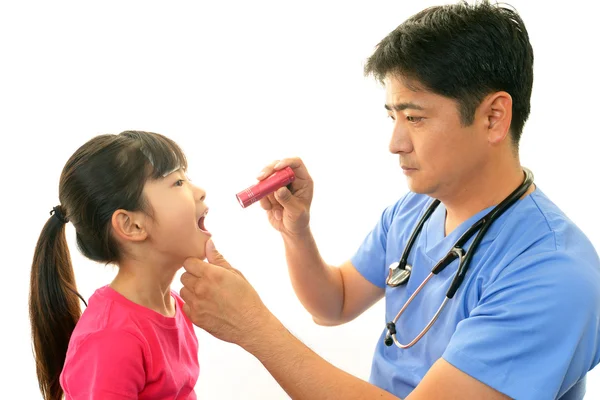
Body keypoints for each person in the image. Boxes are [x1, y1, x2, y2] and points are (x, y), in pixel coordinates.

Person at [179, 1, 600, 399]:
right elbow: (334, 303)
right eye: (392, 116)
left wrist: (253, 327)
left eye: (415, 118)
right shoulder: (416, 210)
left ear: (493, 117)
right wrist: (297, 232)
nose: (395, 143)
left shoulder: (553, 271)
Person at [30, 131, 208, 399]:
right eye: (178, 182)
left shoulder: (176, 307)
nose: (200, 192)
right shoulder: (111, 339)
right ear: (132, 225)